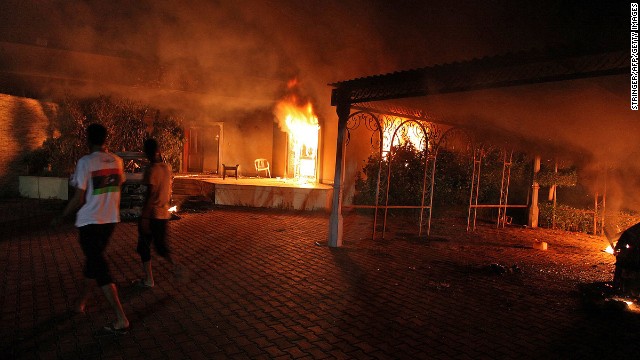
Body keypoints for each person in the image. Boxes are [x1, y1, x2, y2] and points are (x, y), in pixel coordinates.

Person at [51, 123, 129, 334]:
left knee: (99, 266)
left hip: (90, 222)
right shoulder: (117, 161)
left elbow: (79, 198)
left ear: (88, 140)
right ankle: (81, 303)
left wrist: (61, 216)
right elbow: (117, 186)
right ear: (106, 139)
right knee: (94, 261)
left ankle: (121, 318)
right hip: (110, 220)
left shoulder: (85, 162)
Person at [135, 138, 179, 288]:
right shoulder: (167, 168)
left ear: (147, 153)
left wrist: (145, 217)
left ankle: (148, 279)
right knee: (161, 247)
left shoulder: (151, 170)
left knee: (143, 246)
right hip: (163, 214)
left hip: (152, 214)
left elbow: (151, 194)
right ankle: (175, 266)